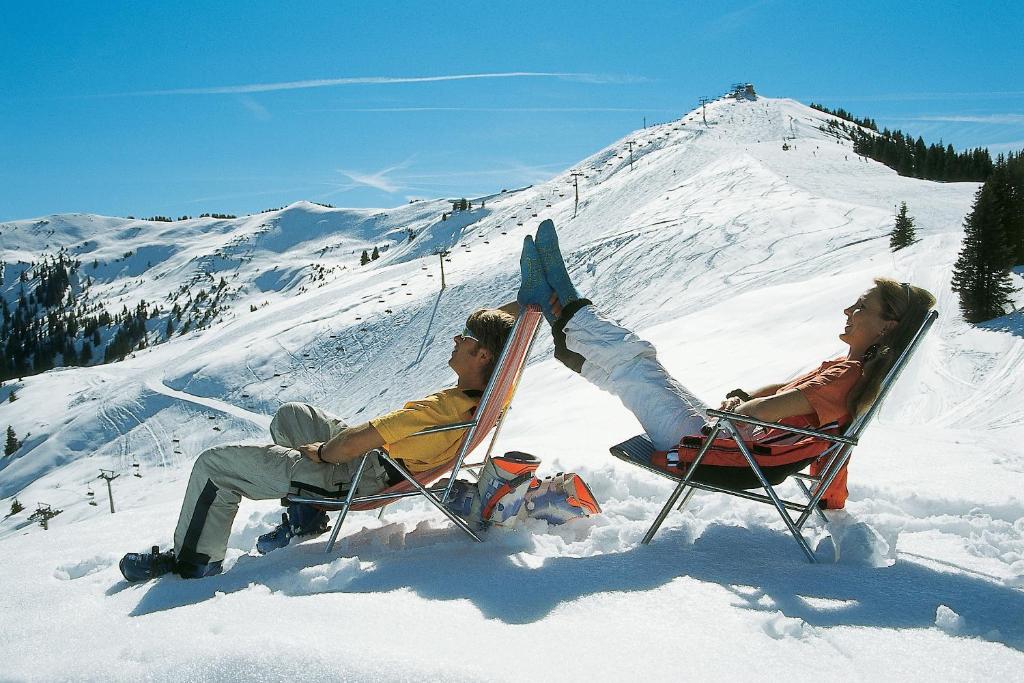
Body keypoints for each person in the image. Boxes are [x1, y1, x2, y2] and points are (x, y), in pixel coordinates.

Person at [517, 219, 935, 506]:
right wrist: (831, 498)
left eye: (862, 307)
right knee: (640, 371)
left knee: (636, 364)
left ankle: (564, 299)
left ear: (886, 327)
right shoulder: (849, 373)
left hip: (717, 451)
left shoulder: (846, 376)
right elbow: (790, 403)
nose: (849, 310)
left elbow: (766, 412)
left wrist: (738, 409)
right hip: (730, 444)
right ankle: (557, 308)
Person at [119, 307, 515, 582]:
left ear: (481, 353)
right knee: (292, 416)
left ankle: (192, 564)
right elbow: (504, 338)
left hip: (359, 475)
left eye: (465, 336)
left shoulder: (439, 410)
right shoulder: (497, 386)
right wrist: (532, 303)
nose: (455, 337)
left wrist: (322, 454)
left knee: (213, 466)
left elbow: (356, 442)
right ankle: (305, 518)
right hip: (385, 463)